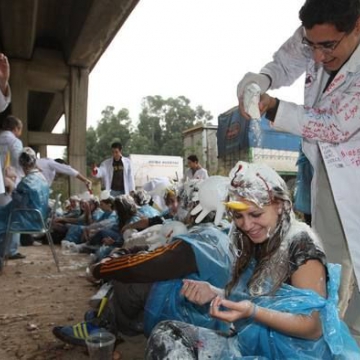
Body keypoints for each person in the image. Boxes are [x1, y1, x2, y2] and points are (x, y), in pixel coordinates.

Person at [145, 161, 360, 359]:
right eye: (239, 216)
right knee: (167, 336)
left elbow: (313, 327)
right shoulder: (254, 240)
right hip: (257, 345)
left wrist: (253, 313)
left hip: (296, 354)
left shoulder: (301, 246)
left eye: (255, 214)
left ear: (279, 205)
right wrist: (215, 293)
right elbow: (258, 301)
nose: (247, 225)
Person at [236, 0, 360, 342]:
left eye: (328, 46)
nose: (318, 57)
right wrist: (261, 80)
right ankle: (330, 335)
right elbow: (286, 62)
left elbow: (336, 126)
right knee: (333, 262)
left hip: (353, 170)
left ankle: (346, 339)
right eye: (312, 45)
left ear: (357, 26)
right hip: (331, 169)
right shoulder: (317, 34)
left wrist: (274, 108)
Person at [0, 148, 49, 267]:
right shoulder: (42, 178)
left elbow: (20, 203)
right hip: (39, 218)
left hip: (27, 219)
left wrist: (12, 187)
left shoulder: (26, 182)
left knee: (1, 222)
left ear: (22, 164)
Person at [0, 116, 23, 202]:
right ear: (16, 128)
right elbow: (19, 161)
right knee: (7, 213)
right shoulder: (15, 141)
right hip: (8, 184)